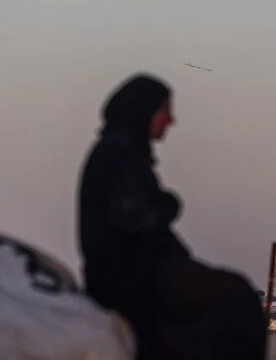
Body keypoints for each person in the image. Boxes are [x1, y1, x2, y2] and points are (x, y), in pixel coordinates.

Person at [78, 74, 266, 360]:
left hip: (132, 274)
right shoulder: (118, 155)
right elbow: (135, 218)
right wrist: (169, 204)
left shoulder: (122, 152)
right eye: (165, 111)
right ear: (145, 111)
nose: (170, 120)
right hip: (128, 277)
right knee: (236, 296)